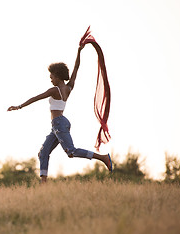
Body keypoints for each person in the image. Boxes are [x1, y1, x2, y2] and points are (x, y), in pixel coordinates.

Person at [7, 45, 112, 183]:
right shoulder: (69, 87)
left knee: (71, 152)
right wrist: (79, 51)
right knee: (43, 153)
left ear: (57, 77)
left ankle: (103, 157)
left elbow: (36, 98)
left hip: (59, 124)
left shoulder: (54, 90)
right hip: (58, 124)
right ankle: (43, 184)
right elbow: (76, 68)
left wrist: (19, 106)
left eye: (51, 77)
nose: (50, 79)